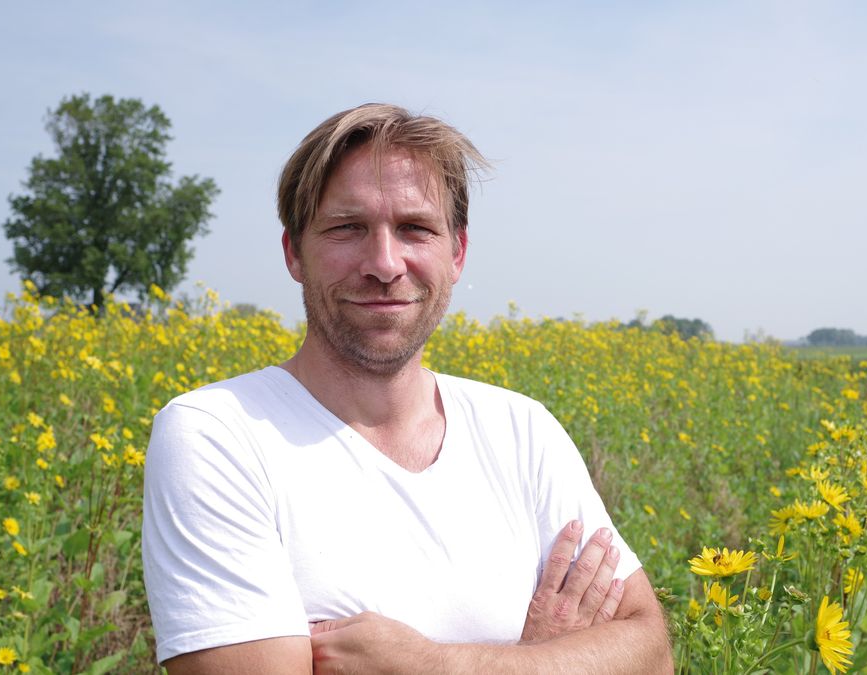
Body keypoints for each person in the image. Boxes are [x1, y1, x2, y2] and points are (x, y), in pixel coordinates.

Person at [141, 103, 672, 674]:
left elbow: (652, 653)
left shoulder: (523, 430)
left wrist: (434, 666)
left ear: (457, 253)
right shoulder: (218, 434)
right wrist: (544, 658)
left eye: (415, 228)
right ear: (294, 251)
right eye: (347, 228)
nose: (383, 263)